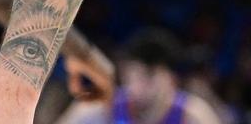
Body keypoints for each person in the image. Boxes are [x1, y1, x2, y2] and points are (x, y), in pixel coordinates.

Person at [54, 29, 222, 124]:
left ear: (171, 79)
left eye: (148, 76)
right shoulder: (102, 109)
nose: (138, 85)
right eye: (132, 76)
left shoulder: (192, 115)